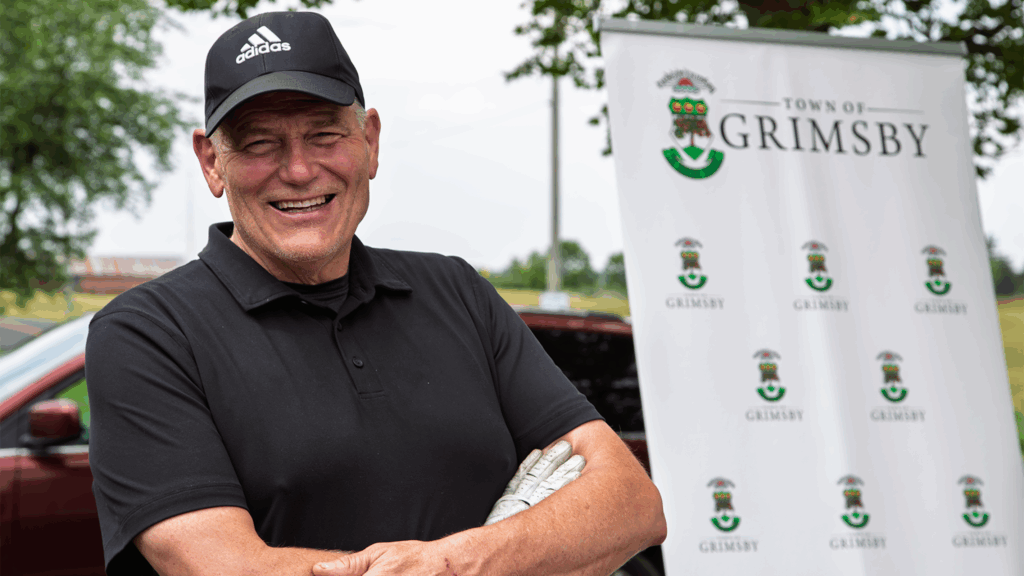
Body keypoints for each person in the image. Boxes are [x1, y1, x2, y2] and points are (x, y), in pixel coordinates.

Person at [86, 11, 666, 576]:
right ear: (212, 163)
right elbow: (221, 567)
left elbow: (633, 504)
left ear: (370, 142)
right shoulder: (147, 334)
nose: (298, 169)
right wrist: (521, 549)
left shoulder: (457, 292)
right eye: (260, 143)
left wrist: (457, 562)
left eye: (324, 135)